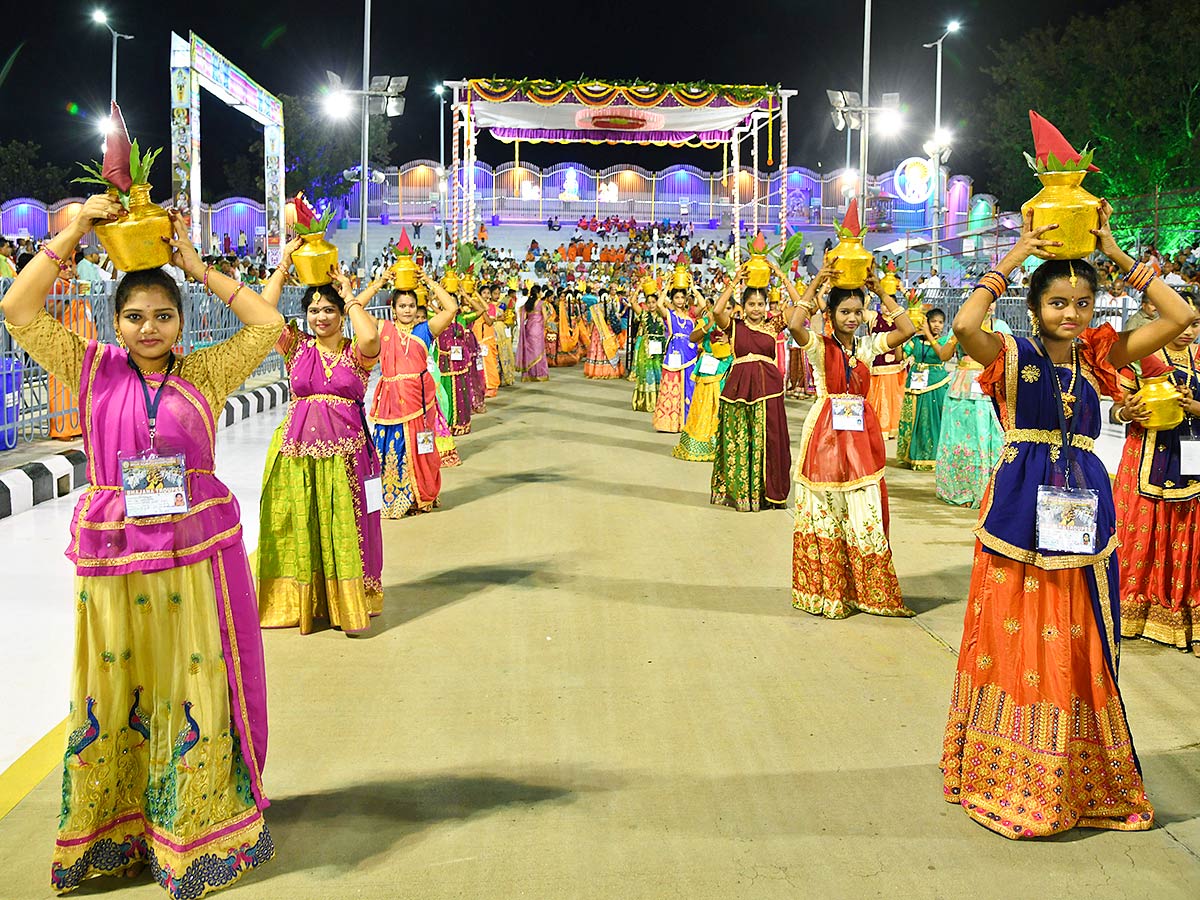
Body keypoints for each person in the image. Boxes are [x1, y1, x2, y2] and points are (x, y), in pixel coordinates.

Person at [2, 196, 281, 896]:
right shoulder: (89, 366)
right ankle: (118, 827)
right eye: (135, 316)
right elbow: (15, 310)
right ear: (113, 321)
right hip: (116, 561)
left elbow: (271, 323)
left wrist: (196, 266)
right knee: (116, 683)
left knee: (193, 682)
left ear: (182, 322)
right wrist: (72, 233)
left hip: (194, 560)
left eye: (163, 315)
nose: (149, 328)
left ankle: (196, 823)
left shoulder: (206, 374)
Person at [941, 202, 1192, 838]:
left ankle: (1078, 770)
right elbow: (967, 323)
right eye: (1058, 303)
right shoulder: (1012, 353)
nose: (1072, 314)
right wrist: (1017, 253)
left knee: (1077, 635)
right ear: (1035, 309)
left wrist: (1115, 252)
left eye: (1083, 303)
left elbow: (1181, 316)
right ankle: (1015, 766)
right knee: (1018, 632)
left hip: (1083, 509)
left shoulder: (1101, 359)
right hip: (1020, 509)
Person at [256, 249, 385, 634]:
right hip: (298, 455)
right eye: (313, 310)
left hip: (347, 457)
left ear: (342, 315)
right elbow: (262, 314)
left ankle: (346, 605)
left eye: (328, 310)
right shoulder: (296, 348)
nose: (320, 317)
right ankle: (307, 602)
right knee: (302, 525)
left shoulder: (356, 353)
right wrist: (282, 267)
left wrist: (349, 293)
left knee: (349, 527)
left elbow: (371, 334)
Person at [787, 263, 916, 618]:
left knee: (865, 510)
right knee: (826, 512)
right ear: (830, 314)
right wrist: (816, 282)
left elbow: (907, 328)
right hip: (825, 437)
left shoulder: (867, 346)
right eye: (845, 311)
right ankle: (830, 593)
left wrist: (880, 290)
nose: (852, 317)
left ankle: (869, 591)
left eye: (858, 311)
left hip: (860, 439)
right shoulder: (818, 347)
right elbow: (795, 325)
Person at [1111, 296, 1200, 649]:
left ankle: (1182, 611)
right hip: (1145, 457)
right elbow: (1116, 408)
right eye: (1182, 322)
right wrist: (1127, 412)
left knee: (1186, 530)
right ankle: (1135, 609)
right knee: (1139, 527)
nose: (1188, 331)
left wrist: (1193, 406)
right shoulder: (1140, 356)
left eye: (1195, 324)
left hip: (1192, 458)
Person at [371, 268, 460, 517]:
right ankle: (392, 498)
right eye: (402, 305)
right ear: (393, 309)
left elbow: (451, 309)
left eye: (411, 305)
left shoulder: (425, 331)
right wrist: (379, 283)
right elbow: (354, 308)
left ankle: (419, 495)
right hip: (389, 402)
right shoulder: (383, 329)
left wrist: (430, 282)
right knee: (390, 447)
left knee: (421, 449)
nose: (407, 310)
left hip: (419, 403)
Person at [709, 261, 792, 511]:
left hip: (769, 392)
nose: (756, 309)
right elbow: (716, 311)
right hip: (739, 391)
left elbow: (800, 308)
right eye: (751, 304)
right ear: (743, 307)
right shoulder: (734, 326)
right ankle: (743, 494)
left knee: (770, 441)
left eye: (760, 304)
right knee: (740, 442)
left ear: (766, 306)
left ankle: (769, 493)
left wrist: (781, 276)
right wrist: (734, 282)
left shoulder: (772, 326)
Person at [933, 302, 1010, 508]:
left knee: (988, 437)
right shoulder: (960, 325)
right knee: (959, 439)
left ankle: (988, 490)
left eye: (992, 301)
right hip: (961, 387)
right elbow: (944, 355)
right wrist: (960, 333)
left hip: (989, 386)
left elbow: (1010, 357)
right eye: (985, 301)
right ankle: (960, 489)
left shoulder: (1000, 327)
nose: (989, 306)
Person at [896, 309, 955, 470]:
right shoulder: (915, 342)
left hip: (936, 384)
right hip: (915, 384)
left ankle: (934, 458)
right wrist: (900, 337)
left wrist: (928, 334)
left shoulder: (945, 341)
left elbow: (942, 355)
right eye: (933, 321)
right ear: (926, 321)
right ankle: (915, 456)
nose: (937, 325)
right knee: (916, 420)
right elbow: (899, 357)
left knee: (932, 421)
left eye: (940, 322)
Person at [672, 310, 732, 461]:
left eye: (729, 308)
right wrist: (709, 324)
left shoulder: (735, 324)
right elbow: (692, 338)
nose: (726, 311)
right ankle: (702, 445)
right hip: (708, 367)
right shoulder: (706, 321)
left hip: (728, 367)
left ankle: (724, 445)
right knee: (704, 404)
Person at [652, 285, 699, 432]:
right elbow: (659, 304)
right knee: (672, 385)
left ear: (686, 299)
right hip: (675, 353)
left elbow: (703, 305)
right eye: (676, 297)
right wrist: (667, 288)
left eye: (682, 297)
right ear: (672, 299)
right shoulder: (670, 315)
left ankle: (687, 422)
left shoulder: (691, 317)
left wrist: (692, 287)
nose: (679, 300)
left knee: (689, 386)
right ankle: (669, 423)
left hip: (690, 354)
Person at [630, 284, 665, 412]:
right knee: (647, 373)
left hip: (660, 347)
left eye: (653, 302)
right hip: (646, 348)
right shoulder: (643, 314)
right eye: (648, 302)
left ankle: (660, 401)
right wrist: (639, 287)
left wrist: (660, 292)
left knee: (659, 373)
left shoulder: (663, 315)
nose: (651, 305)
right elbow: (632, 302)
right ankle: (647, 401)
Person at [582, 286, 623, 379]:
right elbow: (616, 318)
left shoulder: (596, 307)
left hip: (597, 331)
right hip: (608, 330)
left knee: (598, 348)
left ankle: (597, 370)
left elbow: (592, 321)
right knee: (608, 347)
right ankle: (611, 369)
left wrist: (590, 332)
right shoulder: (611, 305)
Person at [515, 285, 550, 382]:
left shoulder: (528, 304)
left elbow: (524, 317)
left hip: (529, 329)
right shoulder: (542, 303)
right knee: (538, 351)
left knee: (530, 351)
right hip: (538, 329)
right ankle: (539, 374)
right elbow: (546, 317)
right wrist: (544, 325)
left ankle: (528, 375)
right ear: (538, 293)